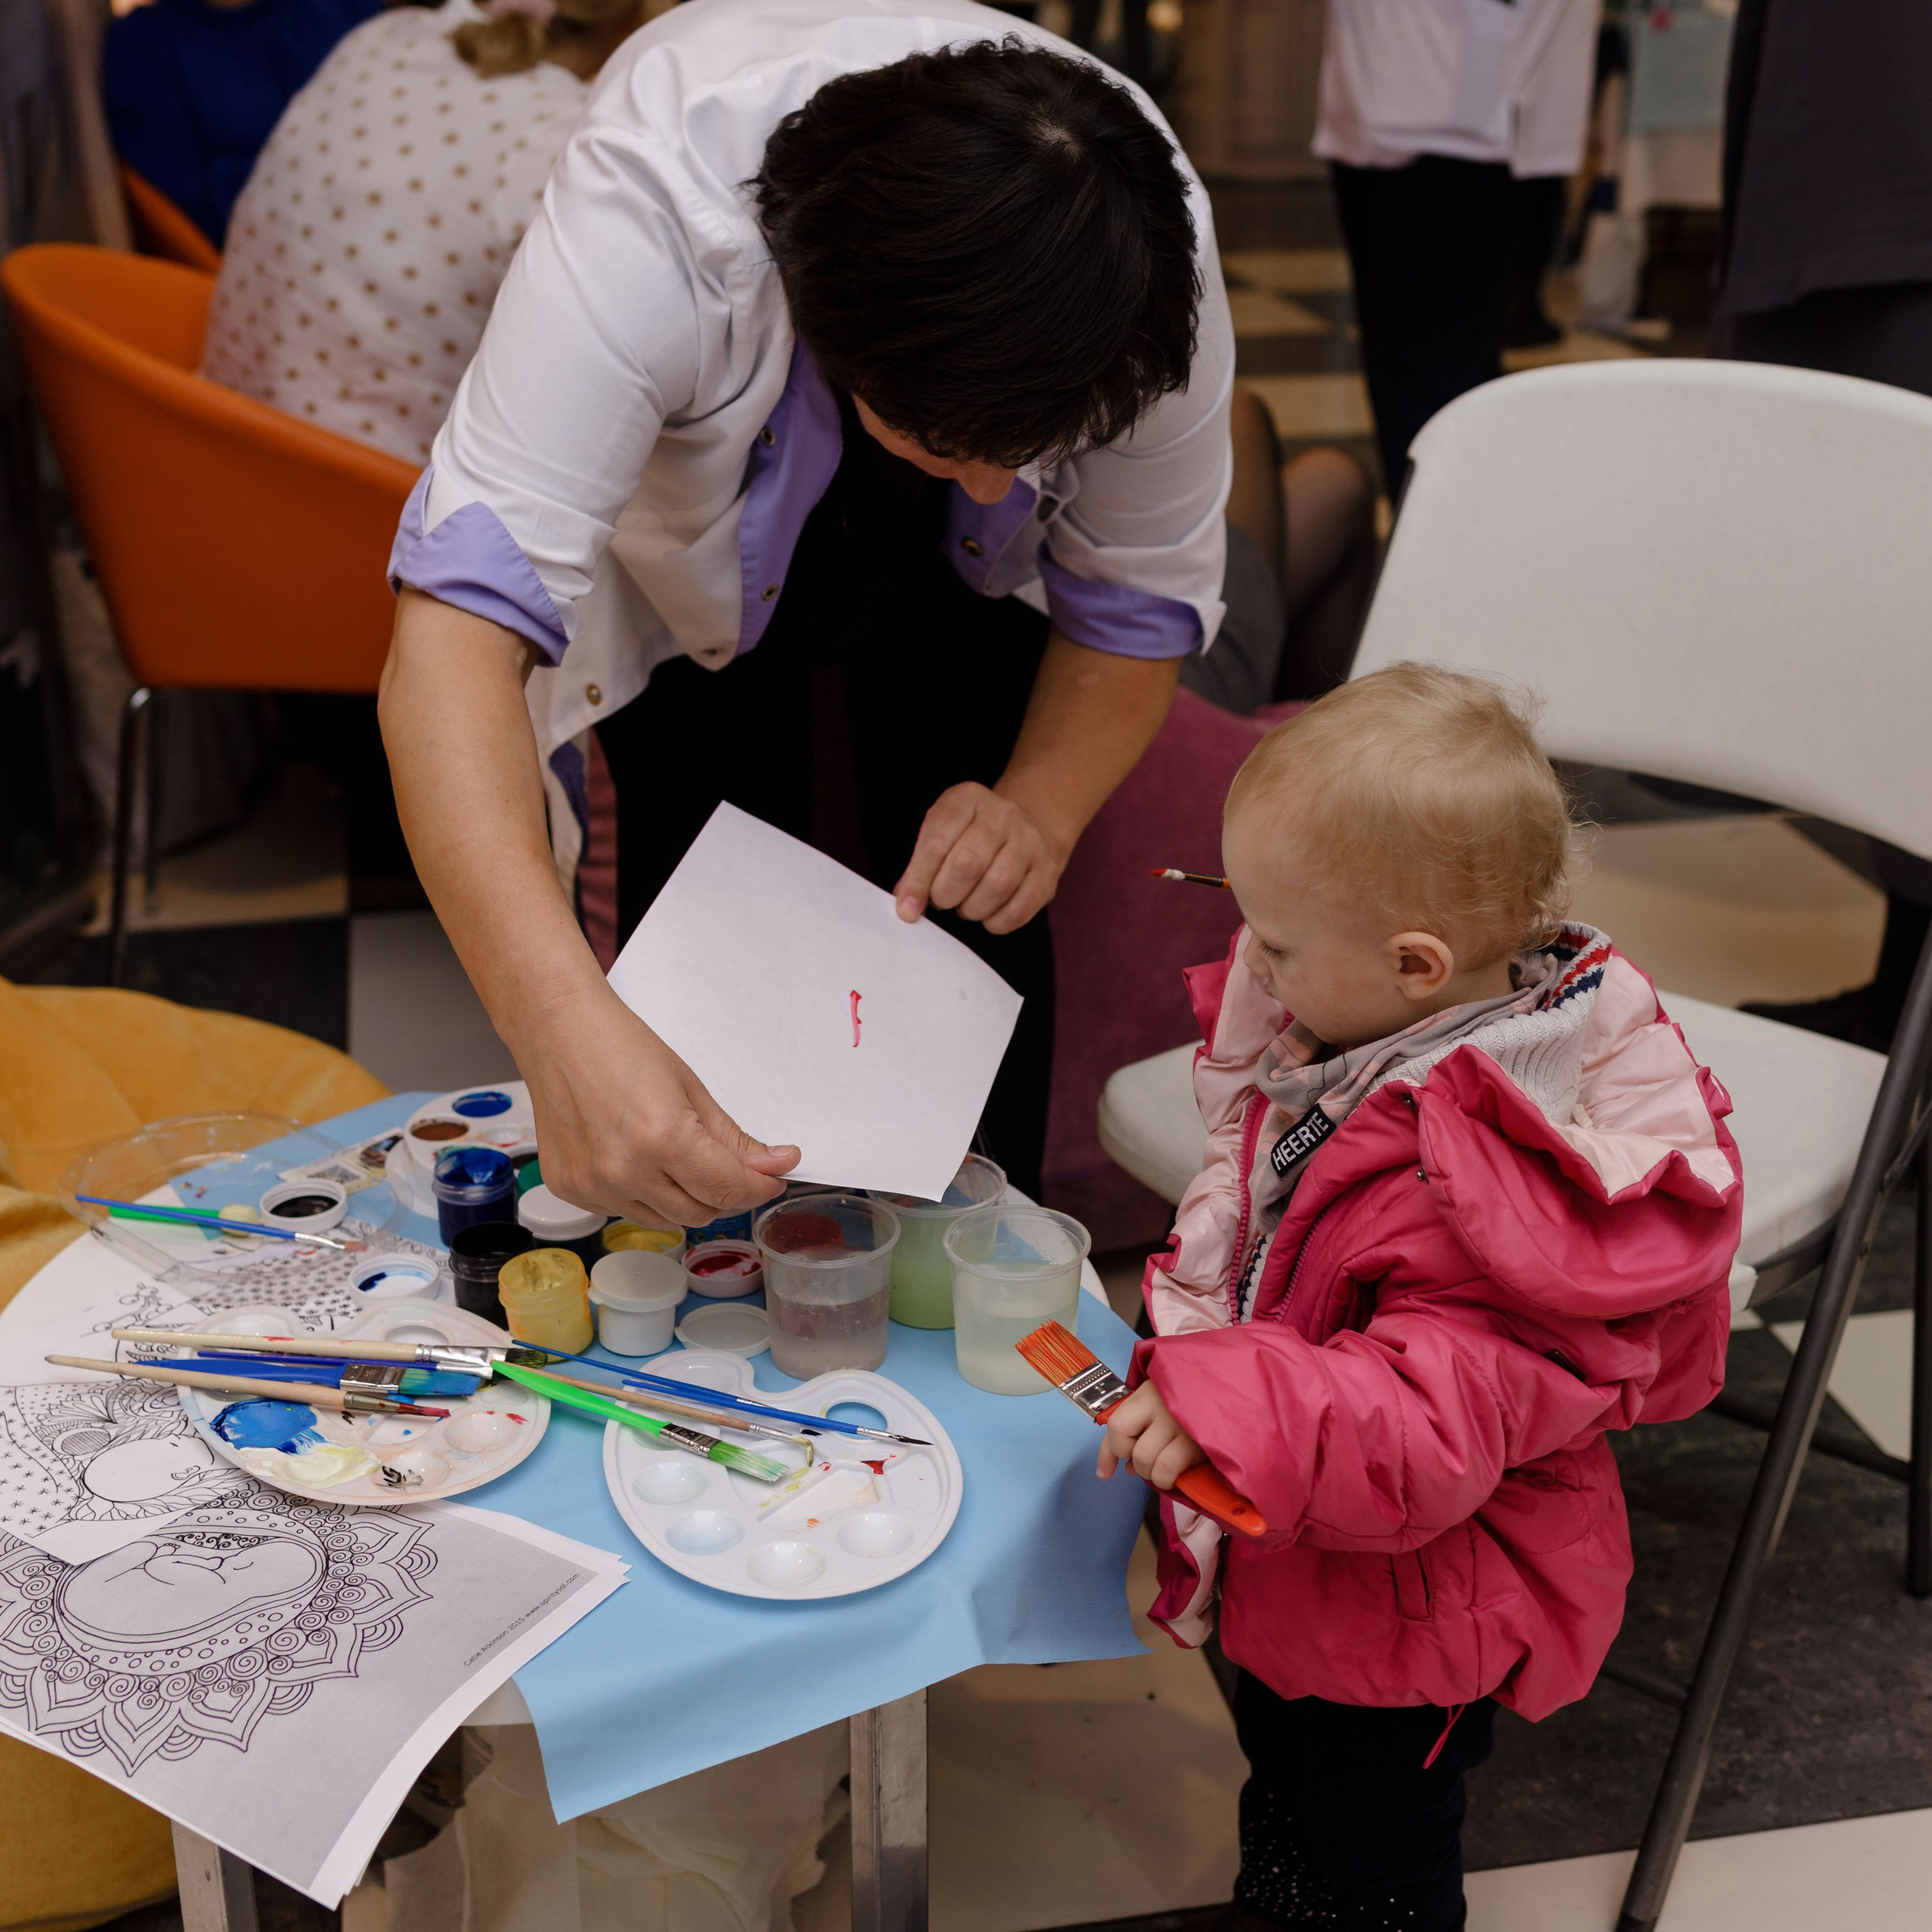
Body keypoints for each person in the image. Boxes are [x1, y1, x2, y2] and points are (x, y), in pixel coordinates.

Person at [378, 1, 1235, 1214]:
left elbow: (1134, 602)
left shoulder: (1150, 257)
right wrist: (560, 1028)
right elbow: (449, 643)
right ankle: (709, 1264)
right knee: (698, 860)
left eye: (1039, 452)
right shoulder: (655, 217)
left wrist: (1038, 813)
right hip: (697, 569)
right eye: (956, 446)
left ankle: (967, 1243)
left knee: (969, 869)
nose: (1001, 486)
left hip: (967, 559)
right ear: (824, 333)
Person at [1098, 666, 1742, 1930]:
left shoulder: (1497, 1183)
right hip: (1316, 1545)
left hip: (1412, 1608)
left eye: (1277, 947)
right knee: (1288, 1788)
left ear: (1413, 963)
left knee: (1375, 1854)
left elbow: (1427, 1418)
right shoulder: (1373, 1043)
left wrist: (1227, 1399)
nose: (1256, 970)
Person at [1714, 0, 1932, 1051]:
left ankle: (1909, 1006)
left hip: (1888, 178)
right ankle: (1906, 987)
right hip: (1853, 156)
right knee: (1894, 621)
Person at [202, 0, 649, 465]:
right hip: (359, 499)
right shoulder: (567, 143)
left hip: (209, 436)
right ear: (629, 22)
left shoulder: (382, 36)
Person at [1313, 0, 1598, 489]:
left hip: (1461, 114)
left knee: (1438, 390)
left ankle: (1450, 553)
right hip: (1382, 102)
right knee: (1402, 379)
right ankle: (1429, 547)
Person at [102, 0, 383, 248]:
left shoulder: (339, 7)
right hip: (282, 259)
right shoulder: (146, 45)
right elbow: (191, 214)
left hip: (393, 216)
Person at [1180, 387, 1375, 713]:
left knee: (1336, 483)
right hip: (1152, 685)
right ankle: (1296, 739)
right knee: (1237, 410)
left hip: (1128, 644)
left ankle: (1300, 728)